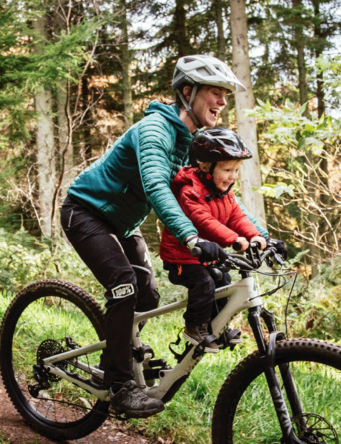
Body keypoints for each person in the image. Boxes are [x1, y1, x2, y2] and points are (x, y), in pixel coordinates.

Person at [61, 54, 267, 418]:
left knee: (148, 295)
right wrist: (190, 239)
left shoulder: (194, 142)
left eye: (225, 94)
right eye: (215, 93)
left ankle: (123, 357)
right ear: (188, 92)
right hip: (87, 212)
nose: (222, 101)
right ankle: (120, 383)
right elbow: (157, 187)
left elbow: (217, 197)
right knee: (124, 285)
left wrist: (259, 236)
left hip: (121, 225)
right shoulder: (156, 130)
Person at [159, 128, 268, 354]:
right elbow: (204, 220)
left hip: (208, 257)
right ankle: (194, 327)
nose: (233, 176)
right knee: (204, 284)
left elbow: (237, 216)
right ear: (206, 167)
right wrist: (233, 239)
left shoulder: (224, 192)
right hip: (183, 259)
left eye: (236, 170)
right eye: (227, 169)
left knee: (224, 281)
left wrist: (254, 235)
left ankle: (217, 327)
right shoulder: (190, 192)